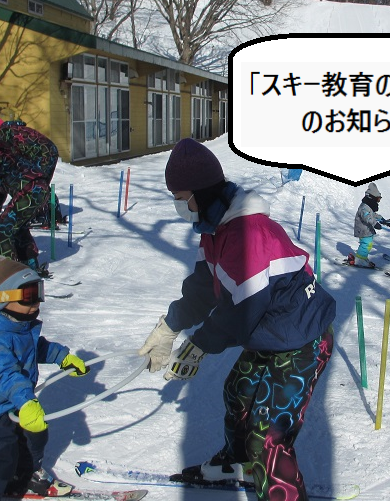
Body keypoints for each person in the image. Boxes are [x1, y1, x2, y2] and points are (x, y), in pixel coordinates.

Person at [136, 138, 336, 501]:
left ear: (201, 191)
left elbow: (241, 312)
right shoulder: (216, 228)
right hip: (271, 331)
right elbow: (202, 288)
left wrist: (199, 345)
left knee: (268, 437)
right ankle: (238, 462)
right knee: (238, 393)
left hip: (303, 337)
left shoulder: (249, 234)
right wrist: (170, 326)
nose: (178, 205)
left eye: (181, 196)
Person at [0, 256, 90, 501]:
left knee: (34, 439)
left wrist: (62, 357)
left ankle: (22, 477)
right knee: (0, 459)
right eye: (28, 295)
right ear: (3, 299)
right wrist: (27, 401)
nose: (36, 302)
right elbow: (6, 374)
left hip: (17, 400)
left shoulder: (19, 323)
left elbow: (34, 347)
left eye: (38, 293)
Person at [0, 119, 58, 277]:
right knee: (17, 227)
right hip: (38, 188)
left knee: (3, 228)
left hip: (31, 190)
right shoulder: (5, 151)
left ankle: (6, 274)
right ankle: (29, 263)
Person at [347, 182, 384, 268]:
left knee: (368, 244)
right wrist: (375, 224)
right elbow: (367, 217)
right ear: (372, 197)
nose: (378, 201)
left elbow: (372, 214)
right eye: (378, 199)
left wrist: (381, 219)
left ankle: (362, 257)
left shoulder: (368, 206)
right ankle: (360, 259)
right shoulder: (364, 207)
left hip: (367, 229)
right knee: (365, 244)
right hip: (362, 229)